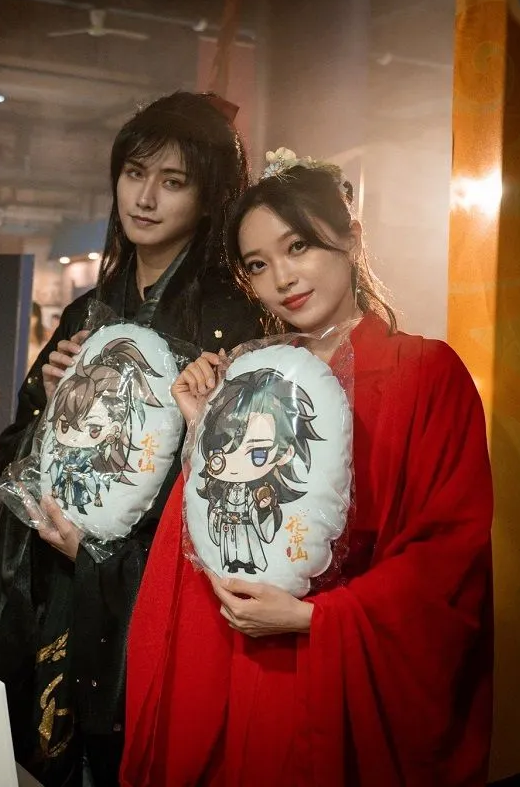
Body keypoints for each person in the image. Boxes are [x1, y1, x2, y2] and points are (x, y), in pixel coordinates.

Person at [121, 151, 493, 786]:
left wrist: (320, 618)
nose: (282, 279)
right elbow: (209, 537)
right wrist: (203, 425)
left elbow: (448, 553)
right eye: (257, 265)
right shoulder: (246, 378)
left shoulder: (426, 373)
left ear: (351, 237)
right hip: (241, 657)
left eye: (298, 247)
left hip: (342, 666)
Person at [0, 91, 268, 787]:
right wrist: (54, 401)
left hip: (143, 584)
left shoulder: (234, 321)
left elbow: (238, 488)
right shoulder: (88, 309)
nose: (145, 198)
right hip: (48, 568)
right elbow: (16, 445)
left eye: (173, 182)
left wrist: (107, 554)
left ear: (209, 197)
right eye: (135, 173)